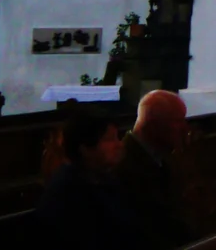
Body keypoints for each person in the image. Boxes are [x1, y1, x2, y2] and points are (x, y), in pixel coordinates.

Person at [35, 110, 135, 248]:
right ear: (85, 149)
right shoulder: (68, 194)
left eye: (117, 138)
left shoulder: (104, 178)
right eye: (109, 139)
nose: (120, 145)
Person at [117, 90, 195, 249]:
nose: (185, 129)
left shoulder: (158, 154)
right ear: (153, 125)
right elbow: (153, 224)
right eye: (178, 121)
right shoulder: (126, 162)